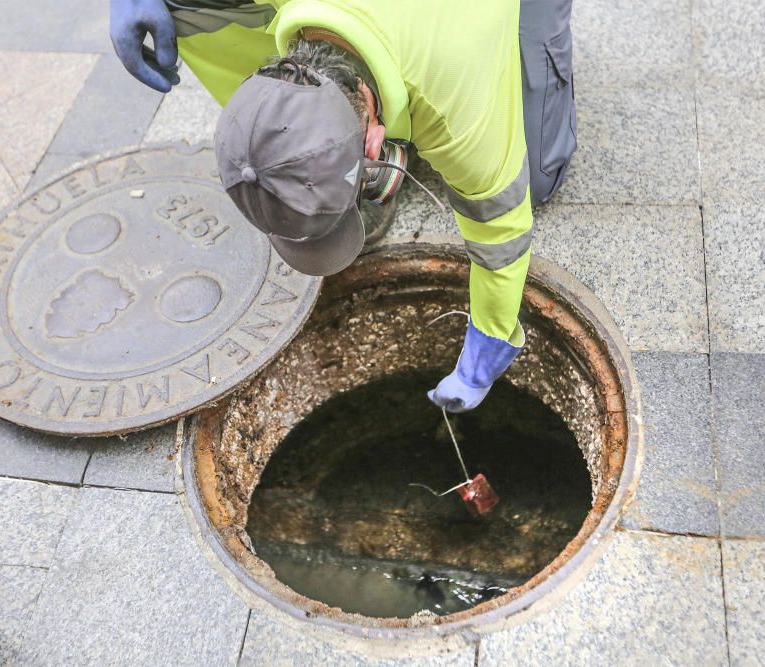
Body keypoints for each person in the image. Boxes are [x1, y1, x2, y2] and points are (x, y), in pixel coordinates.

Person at [110, 0, 577, 413]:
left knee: (536, 179)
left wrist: (492, 335)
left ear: (376, 143)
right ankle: (316, 151)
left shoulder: (458, 108)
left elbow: (501, 225)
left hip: (455, 32)